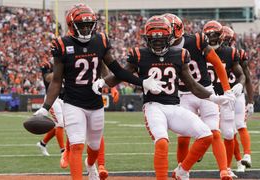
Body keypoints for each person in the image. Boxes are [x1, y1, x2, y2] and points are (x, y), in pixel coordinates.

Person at [33, 4, 164, 180]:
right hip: (73, 103)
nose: (87, 29)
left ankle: (90, 165)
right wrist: (44, 107)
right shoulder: (62, 45)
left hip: (95, 103)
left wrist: (142, 82)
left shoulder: (100, 41)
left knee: (94, 147)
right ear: (72, 25)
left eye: (89, 25)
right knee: (77, 145)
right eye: (82, 25)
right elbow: (56, 80)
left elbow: (117, 70)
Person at [102, 15, 235, 180]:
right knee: (167, 141)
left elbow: (194, 83)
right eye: (154, 39)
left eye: (162, 38)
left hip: (184, 100)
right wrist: (102, 83)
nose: (158, 42)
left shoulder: (182, 53)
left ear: (171, 36)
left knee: (209, 134)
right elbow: (121, 73)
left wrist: (214, 97)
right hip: (158, 105)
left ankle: (187, 171)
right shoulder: (140, 54)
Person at [162, 13, 234, 180]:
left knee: (214, 132)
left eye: (166, 31)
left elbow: (216, 63)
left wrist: (227, 90)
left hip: (205, 91)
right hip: (182, 95)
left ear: (176, 31)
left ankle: (224, 170)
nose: (163, 36)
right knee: (183, 138)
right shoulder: (161, 48)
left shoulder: (196, 40)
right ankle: (183, 171)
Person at [203, 21, 246, 178]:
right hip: (206, 95)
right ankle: (194, 157)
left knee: (228, 133)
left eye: (215, 36)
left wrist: (240, 85)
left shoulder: (230, 52)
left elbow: (241, 74)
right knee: (202, 130)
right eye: (209, 36)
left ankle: (226, 168)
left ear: (221, 36)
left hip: (225, 95)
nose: (212, 39)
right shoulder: (199, 50)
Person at [221, 26, 253, 172]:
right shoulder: (212, 53)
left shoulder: (238, 54)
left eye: (228, 40)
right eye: (224, 40)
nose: (226, 43)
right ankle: (240, 160)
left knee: (238, 125)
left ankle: (246, 156)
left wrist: (251, 101)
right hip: (222, 96)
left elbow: (247, 77)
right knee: (229, 132)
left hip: (236, 93)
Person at [36, 60, 65, 157]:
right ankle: (63, 151)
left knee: (60, 124)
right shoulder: (47, 65)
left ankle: (42, 143)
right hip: (52, 98)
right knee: (60, 124)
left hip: (63, 98)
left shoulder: (65, 61)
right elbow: (48, 78)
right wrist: (62, 69)